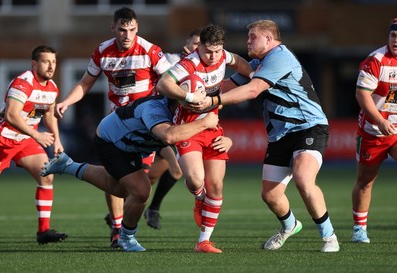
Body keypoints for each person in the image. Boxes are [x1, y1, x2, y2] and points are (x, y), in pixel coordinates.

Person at [197, 20, 340, 252]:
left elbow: (252, 90)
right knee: (270, 196)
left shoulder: (280, 57)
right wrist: (189, 88)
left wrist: (212, 101)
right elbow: (224, 87)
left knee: (304, 178)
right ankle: (289, 226)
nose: (248, 41)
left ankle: (329, 236)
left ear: (269, 39)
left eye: (253, 36)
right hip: (279, 135)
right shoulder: (258, 64)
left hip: (308, 127)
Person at [54, 7, 190, 247]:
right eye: (122, 29)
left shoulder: (149, 51)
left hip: (146, 125)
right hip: (117, 124)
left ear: (137, 29)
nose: (127, 35)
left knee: (131, 185)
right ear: (113, 28)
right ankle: (119, 230)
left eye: (132, 30)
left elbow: (170, 81)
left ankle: (74, 171)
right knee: (128, 183)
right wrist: (66, 101)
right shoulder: (103, 52)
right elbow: (85, 83)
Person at [40, 94, 219, 252]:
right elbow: (168, 136)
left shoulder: (184, 112)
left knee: (119, 188)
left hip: (137, 144)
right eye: (195, 100)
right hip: (113, 141)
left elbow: (201, 133)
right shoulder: (154, 108)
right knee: (141, 191)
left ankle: (67, 166)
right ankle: (126, 238)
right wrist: (203, 123)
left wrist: (225, 140)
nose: (199, 105)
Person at [156, 24, 252, 253]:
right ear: (200, 48)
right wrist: (188, 96)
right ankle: (199, 198)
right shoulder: (189, 63)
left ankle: (203, 242)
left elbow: (238, 61)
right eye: (208, 51)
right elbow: (163, 84)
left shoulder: (222, 57)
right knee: (196, 180)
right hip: (188, 127)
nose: (213, 56)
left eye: (217, 51)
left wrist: (254, 75)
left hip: (212, 126)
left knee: (216, 186)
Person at [0, 45, 67, 244]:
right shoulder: (23, 83)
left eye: (53, 62)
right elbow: (11, 114)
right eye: (46, 62)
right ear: (34, 64)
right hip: (1, 140)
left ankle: (43, 231)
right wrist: (37, 135)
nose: (51, 66)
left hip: (25, 140)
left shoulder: (52, 87)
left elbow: (49, 116)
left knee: (46, 175)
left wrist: (57, 140)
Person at [143, 27, 202, 230]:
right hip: (156, 121)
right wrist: (181, 65)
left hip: (176, 126)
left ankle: (125, 207)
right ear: (188, 43)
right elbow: (163, 82)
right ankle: (150, 209)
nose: (198, 48)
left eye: (201, 45)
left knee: (152, 175)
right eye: (196, 43)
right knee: (175, 170)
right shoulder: (170, 59)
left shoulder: (207, 68)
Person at [351, 18, 397, 244]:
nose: (396, 41)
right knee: (366, 181)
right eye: (393, 36)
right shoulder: (376, 60)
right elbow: (362, 95)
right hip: (372, 132)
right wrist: (379, 120)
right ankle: (359, 229)